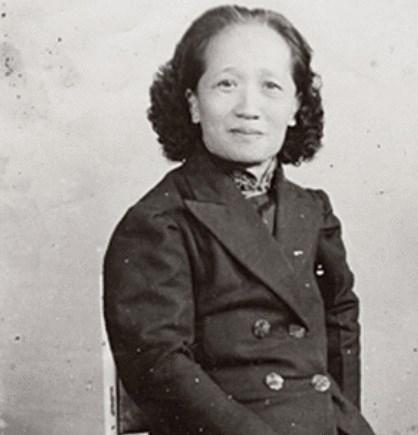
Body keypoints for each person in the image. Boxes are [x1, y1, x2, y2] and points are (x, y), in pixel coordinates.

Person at [103, 5, 375, 435]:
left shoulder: (312, 210)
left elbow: (341, 328)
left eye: (271, 86)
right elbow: (159, 367)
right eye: (226, 84)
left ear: (295, 107)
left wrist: (342, 421)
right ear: (193, 103)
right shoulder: (159, 221)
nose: (249, 108)